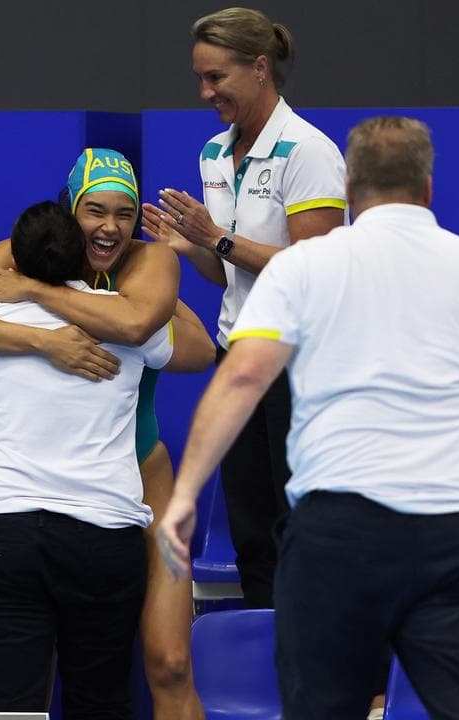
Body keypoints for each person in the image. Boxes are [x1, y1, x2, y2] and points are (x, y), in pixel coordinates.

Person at [156, 116, 459, 719]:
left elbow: (244, 375)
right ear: (429, 187)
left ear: (350, 191)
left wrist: (184, 497)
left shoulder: (298, 271)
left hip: (338, 534)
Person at [0, 148, 213, 719]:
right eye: (94, 211)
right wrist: (45, 340)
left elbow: (172, 339)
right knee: (28, 682)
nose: (110, 227)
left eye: (125, 213)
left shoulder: (147, 264)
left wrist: (39, 296)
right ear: (69, 210)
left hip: (136, 477)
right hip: (56, 506)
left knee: (169, 663)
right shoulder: (13, 255)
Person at [140, 7, 347, 609]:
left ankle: (335, 678)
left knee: (303, 524)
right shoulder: (212, 153)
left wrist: (216, 238)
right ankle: (266, 665)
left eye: (216, 78)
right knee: (253, 527)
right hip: (239, 355)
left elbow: (318, 269)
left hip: (302, 362)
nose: (206, 93)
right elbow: (226, 271)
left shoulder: (308, 150)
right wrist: (192, 246)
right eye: (199, 78)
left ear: (260, 68)